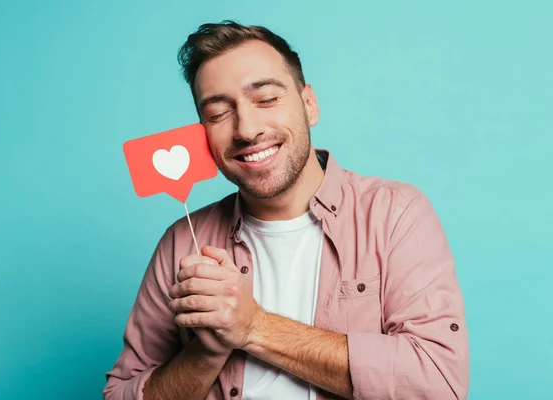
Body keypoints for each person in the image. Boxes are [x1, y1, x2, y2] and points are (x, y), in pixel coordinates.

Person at [103, 20, 469, 400]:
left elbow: (438, 383)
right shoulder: (182, 242)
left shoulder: (394, 215)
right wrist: (207, 351)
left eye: (266, 99)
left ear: (309, 104)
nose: (246, 129)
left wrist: (255, 327)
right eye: (218, 114)